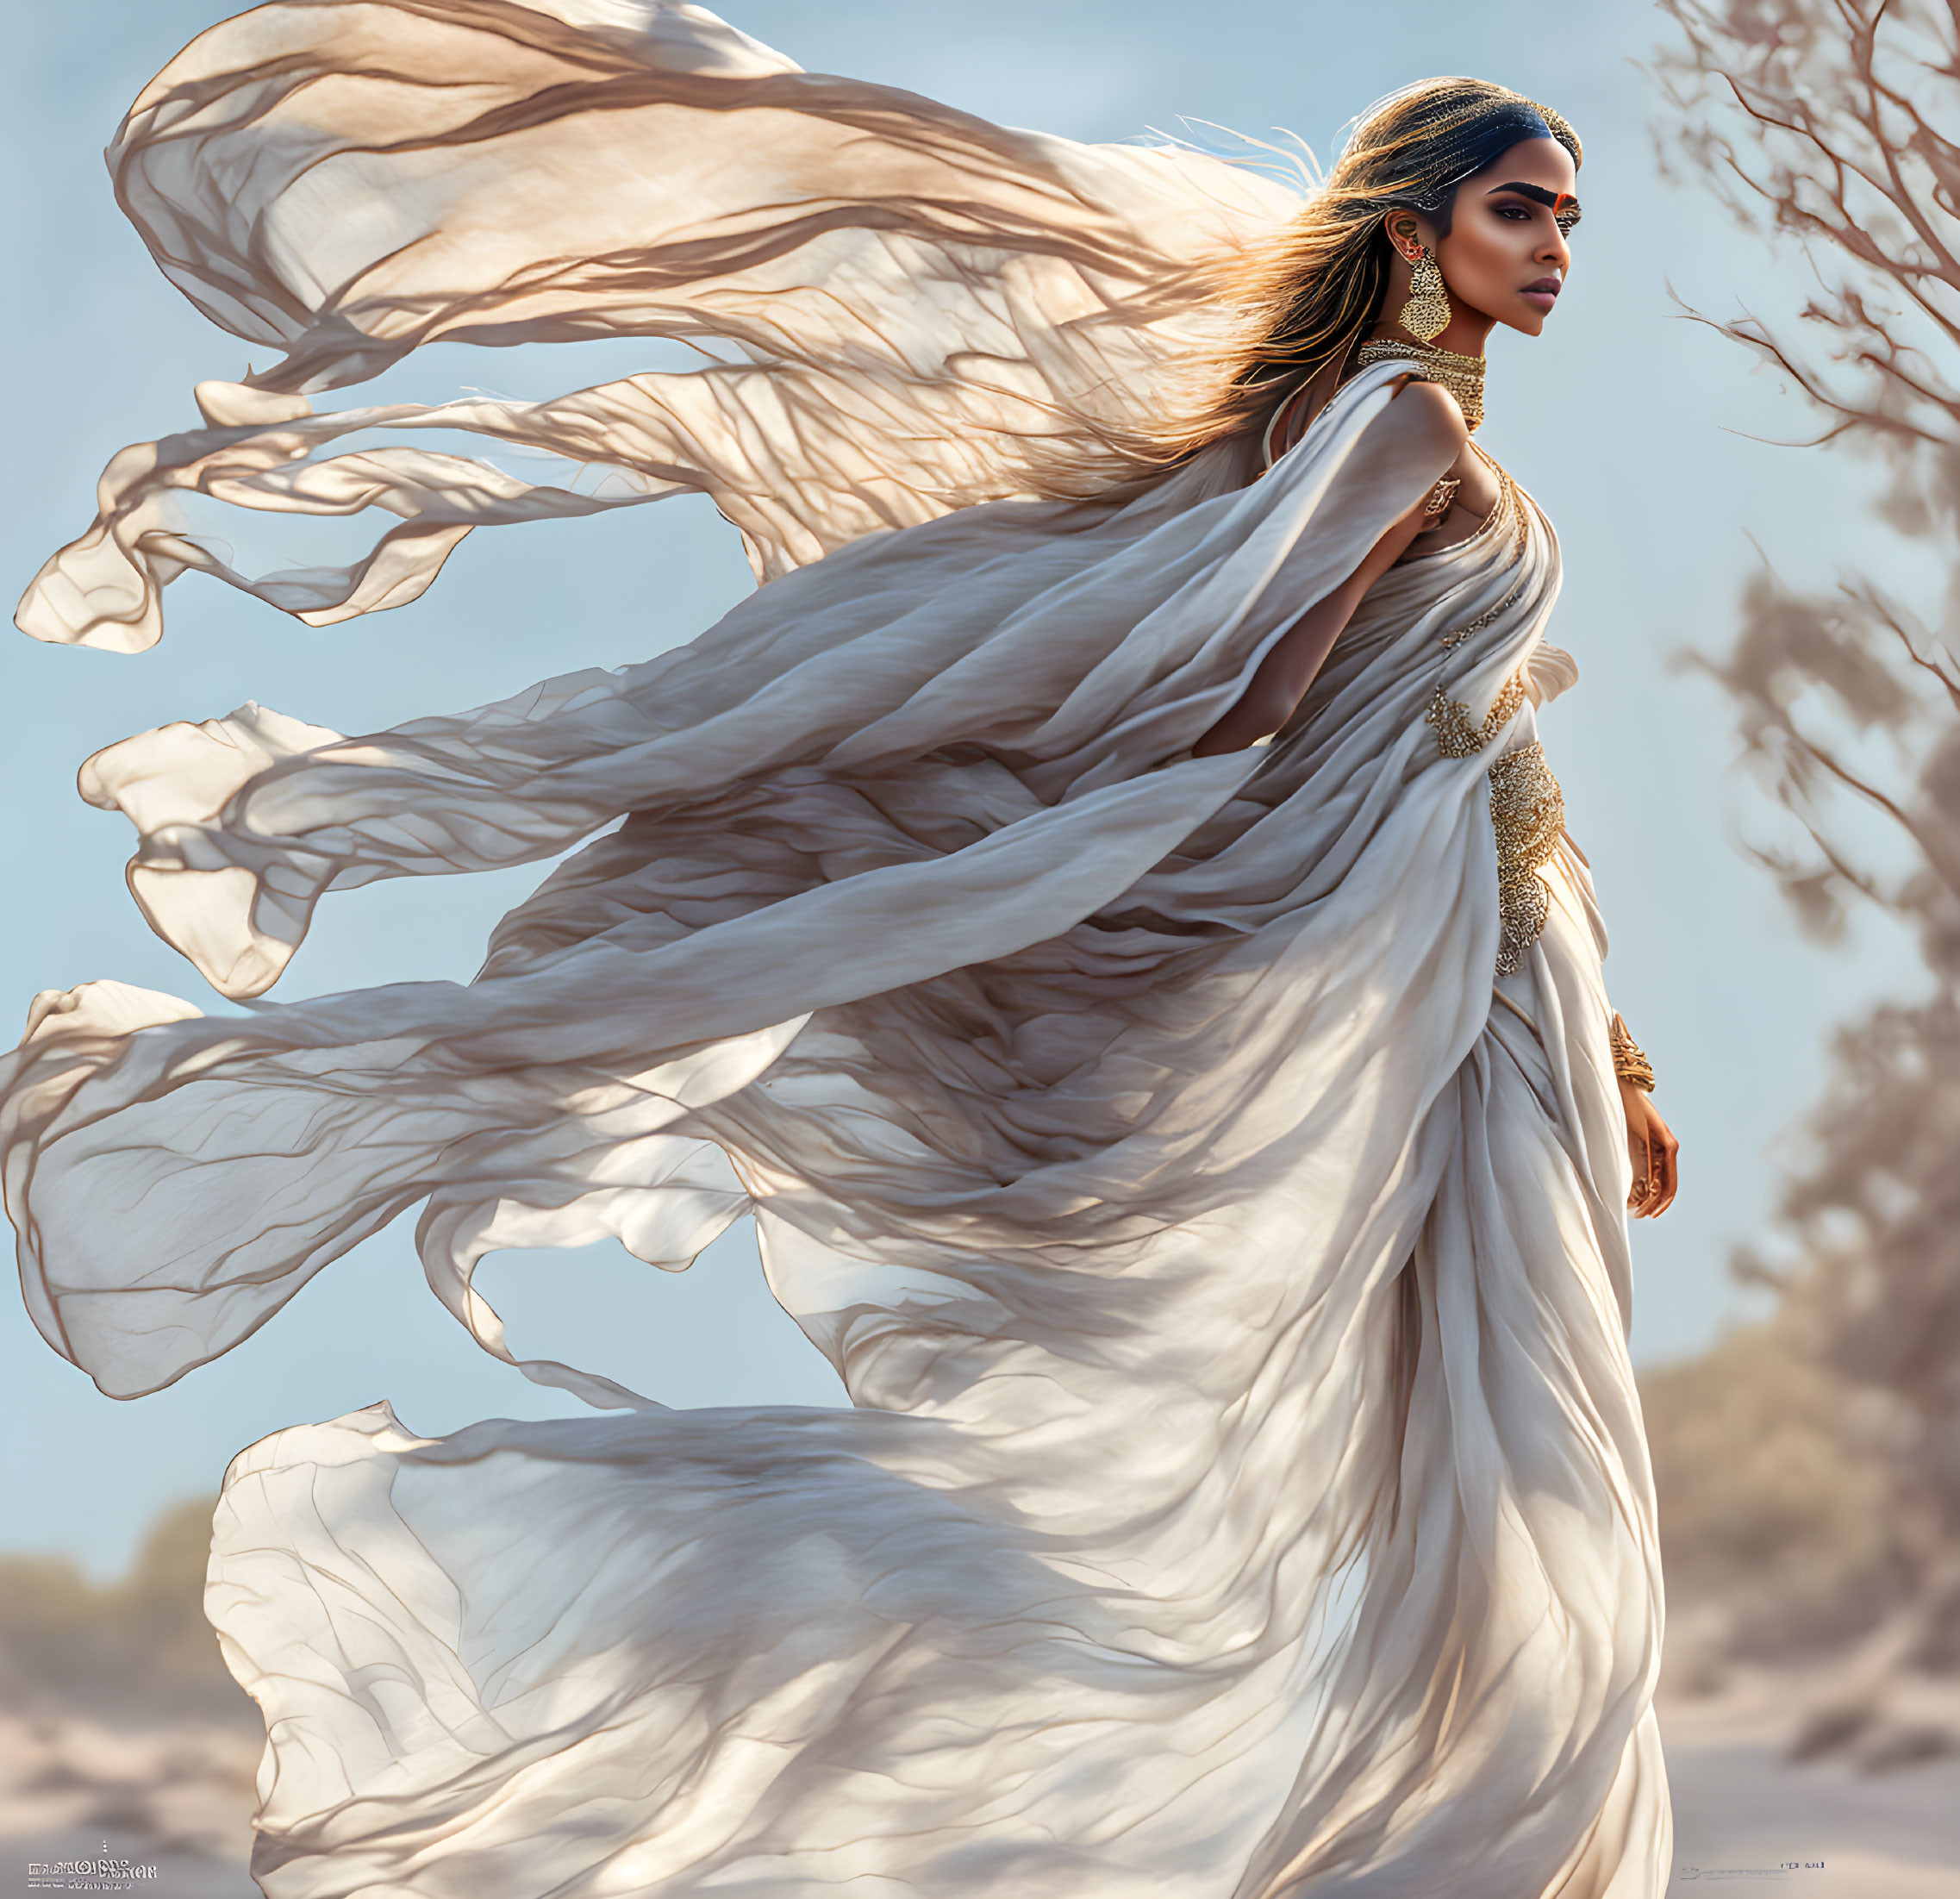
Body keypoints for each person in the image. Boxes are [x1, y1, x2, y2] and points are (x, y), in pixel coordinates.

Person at [3, 3, 1679, 1893]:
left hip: (1481, 944)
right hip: (1423, 956)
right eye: (1525, 210)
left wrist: (1612, 1035)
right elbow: (1257, 693)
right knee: (1483, 1392)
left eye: (1569, 221)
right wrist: (1093, 856)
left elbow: (1467, 719)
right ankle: (1464, 1829)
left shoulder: (1334, 419)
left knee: (1414, 1397)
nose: (1553, 251)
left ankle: (1428, 1815)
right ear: (1414, 227)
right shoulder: (1401, 420)